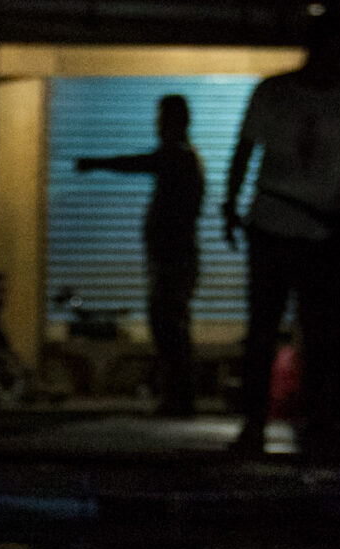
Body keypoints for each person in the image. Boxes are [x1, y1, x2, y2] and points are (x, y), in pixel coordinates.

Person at [220, 11, 340, 455]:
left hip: (322, 227)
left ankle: (316, 420)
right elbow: (245, 149)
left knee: (319, 329)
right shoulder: (274, 92)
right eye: (336, 52)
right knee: (264, 326)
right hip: (274, 221)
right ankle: (256, 422)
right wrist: (230, 204)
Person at [75, 93, 207, 417]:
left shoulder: (179, 157)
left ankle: (179, 399)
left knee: (168, 327)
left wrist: (95, 164)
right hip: (172, 258)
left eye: (162, 119)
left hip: (172, 260)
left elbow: (138, 163)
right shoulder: (183, 158)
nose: (157, 126)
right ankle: (178, 398)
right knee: (170, 326)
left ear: (175, 123)